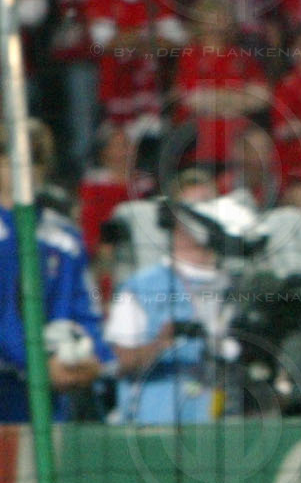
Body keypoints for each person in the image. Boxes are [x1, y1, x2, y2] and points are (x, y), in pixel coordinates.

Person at [0, 123, 110, 422]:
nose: (28, 169)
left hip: (53, 386)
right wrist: (38, 365)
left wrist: (94, 358)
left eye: (36, 159)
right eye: (14, 159)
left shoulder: (64, 238)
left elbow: (83, 306)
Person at [104, 170, 232, 425]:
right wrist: (162, 342)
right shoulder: (141, 288)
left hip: (227, 425)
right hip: (156, 427)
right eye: (194, 207)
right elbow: (121, 363)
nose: (203, 215)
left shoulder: (237, 283)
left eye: (208, 205)